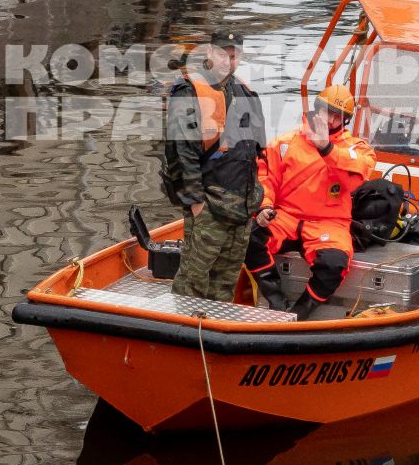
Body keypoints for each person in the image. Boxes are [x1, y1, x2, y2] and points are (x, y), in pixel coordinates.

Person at [243, 85, 376, 319]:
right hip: (285, 217)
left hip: (329, 222)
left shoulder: (357, 149)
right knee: (247, 238)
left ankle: (301, 312)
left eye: (339, 116)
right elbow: (265, 178)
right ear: (317, 110)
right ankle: (275, 300)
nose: (332, 119)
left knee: (335, 263)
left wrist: (326, 147)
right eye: (328, 111)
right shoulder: (285, 142)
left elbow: (355, 179)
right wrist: (264, 206)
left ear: (345, 120)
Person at [161, 30, 266, 302]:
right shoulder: (190, 91)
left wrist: (256, 200)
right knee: (193, 282)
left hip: (241, 210)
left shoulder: (246, 92)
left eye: (234, 56)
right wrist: (196, 203)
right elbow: (180, 153)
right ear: (209, 52)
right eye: (222, 54)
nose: (227, 61)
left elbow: (256, 152)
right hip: (209, 207)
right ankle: (183, 331)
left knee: (225, 284)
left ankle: (213, 334)